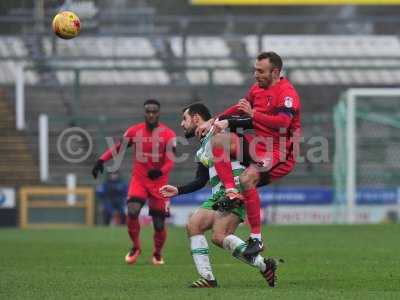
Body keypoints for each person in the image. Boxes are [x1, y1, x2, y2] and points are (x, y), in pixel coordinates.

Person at [160, 103, 278, 288]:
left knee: (219, 236)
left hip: (236, 190)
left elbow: (249, 125)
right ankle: (208, 278)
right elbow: (200, 181)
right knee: (194, 225)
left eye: (185, 119)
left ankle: (264, 266)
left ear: (196, 118)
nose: (182, 124)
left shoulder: (221, 128)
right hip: (217, 195)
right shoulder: (201, 150)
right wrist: (178, 190)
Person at [195, 51, 302, 256]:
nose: (255, 74)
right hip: (259, 144)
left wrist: (254, 114)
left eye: (260, 71)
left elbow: (283, 122)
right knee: (219, 141)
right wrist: (213, 121)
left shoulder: (287, 93)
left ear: (275, 72)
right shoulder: (257, 88)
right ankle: (230, 192)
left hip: (279, 150)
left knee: (247, 178)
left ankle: (256, 239)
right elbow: (239, 108)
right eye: (255, 70)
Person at [92, 99, 176, 265]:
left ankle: (157, 253)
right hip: (140, 179)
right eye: (148, 111)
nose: (151, 114)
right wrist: (101, 160)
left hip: (160, 183)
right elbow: (118, 147)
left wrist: (160, 171)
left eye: (154, 111)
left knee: (159, 223)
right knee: (132, 210)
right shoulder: (134, 131)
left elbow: (170, 160)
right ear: (144, 113)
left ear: (159, 113)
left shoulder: (169, 134)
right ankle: (135, 246)